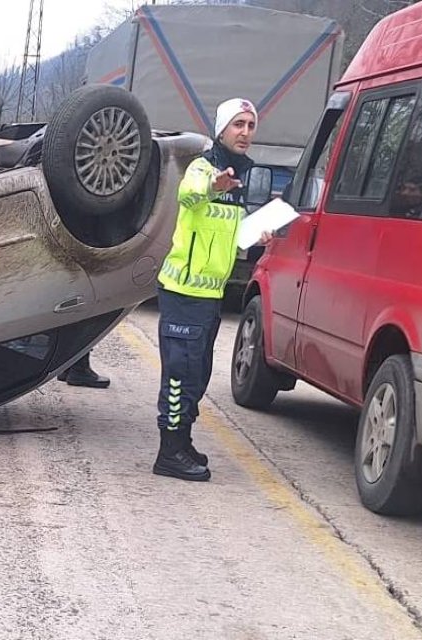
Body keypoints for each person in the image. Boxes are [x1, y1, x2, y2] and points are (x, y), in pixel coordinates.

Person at [152, 97, 272, 482]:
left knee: (198, 374)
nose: (245, 133)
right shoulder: (203, 169)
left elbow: (228, 236)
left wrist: (255, 234)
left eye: (251, 126)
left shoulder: (238, 179)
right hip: (183, 293)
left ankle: (182, 439)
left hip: (209, 295)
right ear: (221, 129)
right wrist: (212, 186)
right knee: (179, 374)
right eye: (238, 124)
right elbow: (188, 194)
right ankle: (168, 453)